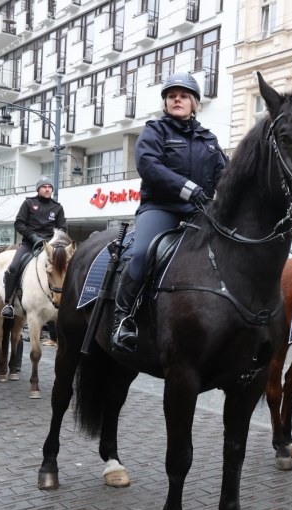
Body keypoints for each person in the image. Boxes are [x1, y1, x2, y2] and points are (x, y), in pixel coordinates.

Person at [111, 72, 226, 353]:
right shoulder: (155, 130)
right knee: (141, 253)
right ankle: (122, 319)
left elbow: (226, 174)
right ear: (166, 103)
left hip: (200, 212)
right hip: (161, 207)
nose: (178, 99)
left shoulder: (209, 140)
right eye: (172, 95)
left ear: (195, 104)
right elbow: (149, 166)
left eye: (184, 95)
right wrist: (189, 189)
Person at [0, 176, 67, 319]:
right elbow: (19, 223)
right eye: (44, 187)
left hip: (50, 246)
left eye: (50, 187)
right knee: (13, 267)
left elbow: (62, 228)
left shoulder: (57, 207)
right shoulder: (29, 203)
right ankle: (9, 303)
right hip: (29, 244)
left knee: (63, 269)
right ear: (38, 189)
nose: (48, 189)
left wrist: (55, 241)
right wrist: (33, 237)